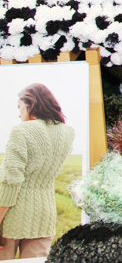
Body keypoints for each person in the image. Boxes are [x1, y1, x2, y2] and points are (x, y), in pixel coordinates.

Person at [0, 83, 75, 260]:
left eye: (20, 107)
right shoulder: (67, 132)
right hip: (44, 214)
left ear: (30, 104)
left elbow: (11, 182)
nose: (19, 114)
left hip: (12, 216)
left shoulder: (21, 130)